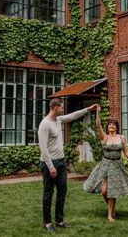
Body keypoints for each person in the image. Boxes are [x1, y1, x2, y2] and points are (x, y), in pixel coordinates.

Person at [38, 98, 98, 233]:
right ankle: (47, 222)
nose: (63, 109)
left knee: (62, 191)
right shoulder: (45, 124)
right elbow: (43, 148)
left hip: (61, 161)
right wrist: (50, 166)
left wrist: (89, 109)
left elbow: (73, 115)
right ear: (55, 108)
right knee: (48, 193)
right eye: (61, 107)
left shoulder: (58, 120)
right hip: (49, 163)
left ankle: (59, 220)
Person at [83, 104, 128, 221]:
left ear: (117, 127)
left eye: (113, 124)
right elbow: (98, 125)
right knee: (104, 192)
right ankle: (112, 209)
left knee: (112, 190)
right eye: (109, 124)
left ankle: (110, 215)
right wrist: (98, 112)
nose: (111, 126)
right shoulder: (104, 137)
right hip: (105, 165)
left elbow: (127, 153)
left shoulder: (122, 138)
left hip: (117, 165)